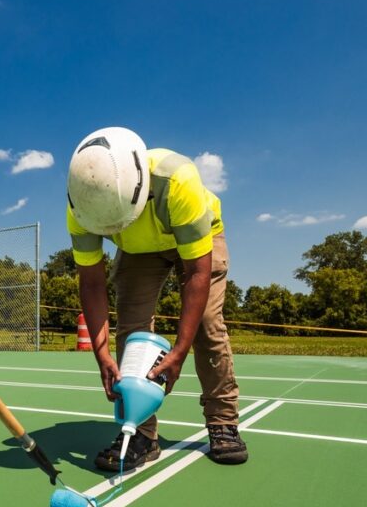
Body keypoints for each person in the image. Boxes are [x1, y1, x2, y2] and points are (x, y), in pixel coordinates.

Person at [66, 126, 248, 470]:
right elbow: (91, 284)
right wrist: (102, 354)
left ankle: (223, 420)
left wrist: (179, 352)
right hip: (137, 252)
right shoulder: (82, 205)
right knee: (131, 331)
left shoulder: (177, 180)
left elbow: (197, 274)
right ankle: (140, 434)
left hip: (195, 239)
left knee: (207, 324)